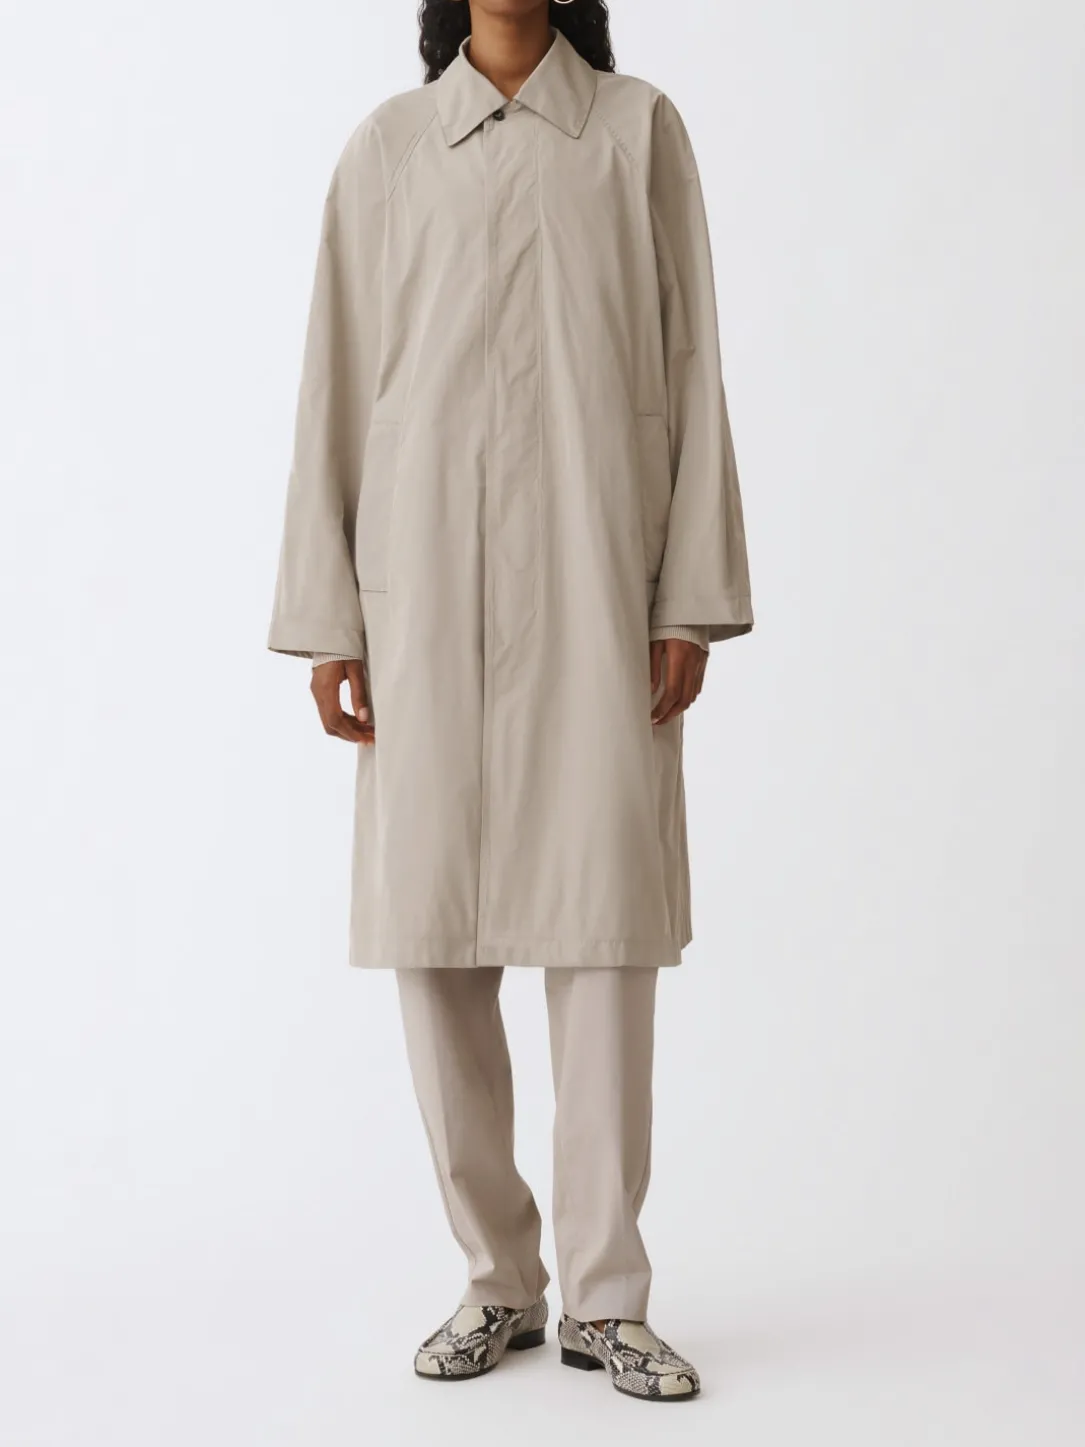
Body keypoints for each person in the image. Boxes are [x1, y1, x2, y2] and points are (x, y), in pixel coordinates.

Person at [268, 0, 752, 1403]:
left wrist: (685, 597)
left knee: (602, 942)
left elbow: (692, 364)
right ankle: (498, 1280)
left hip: (598, 590)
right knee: (437, 941)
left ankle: (607, 1296)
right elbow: (337, 383)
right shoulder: (388, 150)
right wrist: (328, 616)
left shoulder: (637, 133)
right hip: (419, 600)